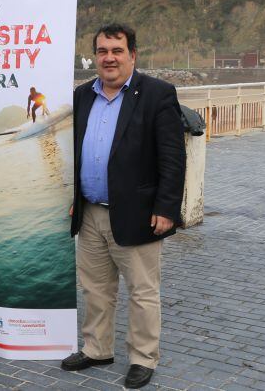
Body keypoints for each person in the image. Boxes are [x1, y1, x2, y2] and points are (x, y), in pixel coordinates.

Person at [61, 23, 185, 389]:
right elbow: (76, 152)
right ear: (94, 56)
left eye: (117, 51)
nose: (109, 58)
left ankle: (143, 357)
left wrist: (166, 208)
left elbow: (173, 158)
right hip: (91, 212)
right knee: (96, 288)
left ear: (133, 54)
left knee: (143, 291)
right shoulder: (83, 95)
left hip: (138, 213)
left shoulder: (157, 94)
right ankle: (97, 348)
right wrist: (74, 201)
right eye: (102, 51)